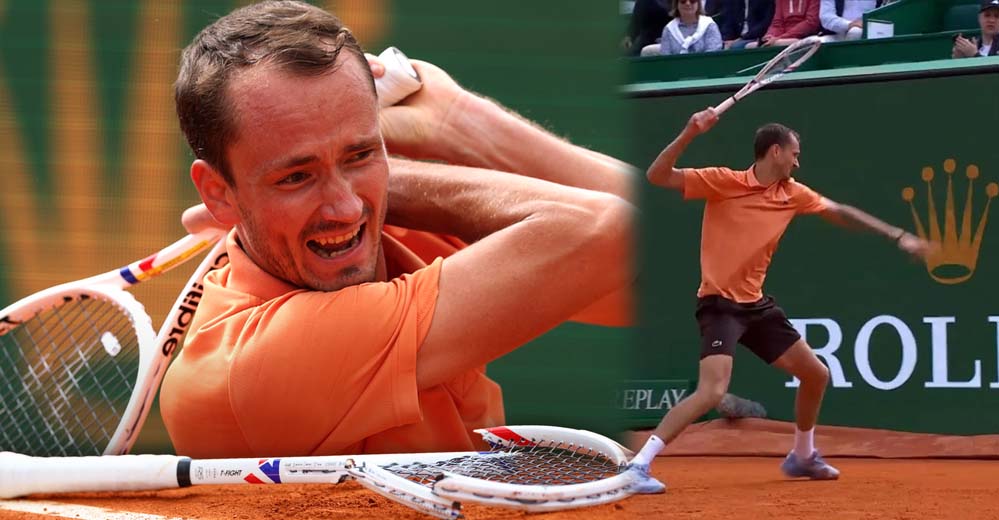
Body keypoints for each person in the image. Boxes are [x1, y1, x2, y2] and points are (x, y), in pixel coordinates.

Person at [161, 0, 637, 459]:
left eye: (360, 154)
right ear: (218, 193)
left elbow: (663, 260)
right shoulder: (248, 368)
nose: (347, 208)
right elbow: (609, 230)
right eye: (296, 176)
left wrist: (446, 125)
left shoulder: (392, 238)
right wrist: (463, 129)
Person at [628, 107, 931, 492]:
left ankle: (802, 455)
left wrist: (897, 235)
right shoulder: (723, 181)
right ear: (775, 151)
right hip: (720, 304)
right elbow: (657, 176)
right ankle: (638, 465)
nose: (797, 161)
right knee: (712, 391)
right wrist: (690, 131)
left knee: (816, 374)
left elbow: (840, 212)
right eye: (794, 153)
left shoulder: (793, 194)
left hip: (756, 306)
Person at [658, 0, 724, 55]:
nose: (688, 4)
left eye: (692, 1)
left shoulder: (709, 25)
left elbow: (713, 55)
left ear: (698, 4)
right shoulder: (669, 29)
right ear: (677, 5)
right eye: (683, 1)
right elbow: (665, 58)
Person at [754, 0, 820, 48]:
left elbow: (811, 23)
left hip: (803, 38)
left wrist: (780, 38)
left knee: (782, 43)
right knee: (751, 45)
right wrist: (769, 36)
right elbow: (777, 24)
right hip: (781, 39)